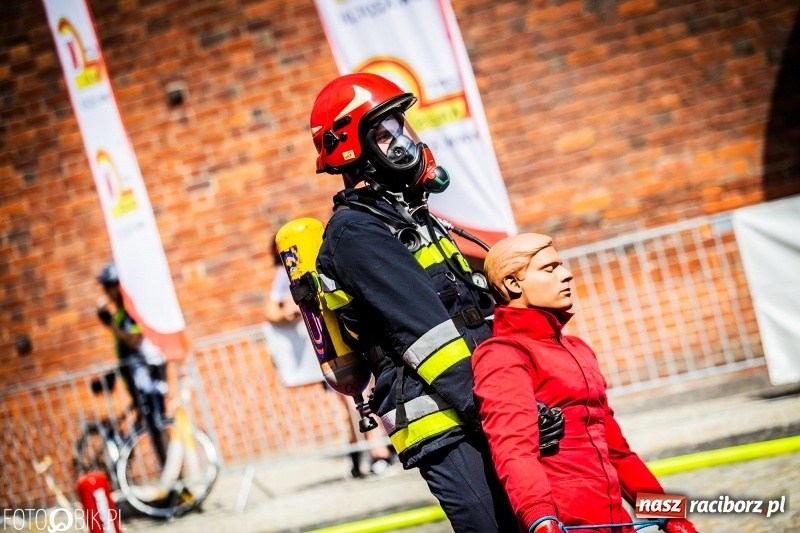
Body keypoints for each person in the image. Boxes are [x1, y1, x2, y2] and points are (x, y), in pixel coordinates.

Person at [308, 72, 563, 532]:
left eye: (401, 129)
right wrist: (503, 412)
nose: (402, 143)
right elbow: (428, 336)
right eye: (383, 136)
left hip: (484, 405)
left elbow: (473, 313)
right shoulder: (355, 234)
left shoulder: (411, 216)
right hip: (444, 423)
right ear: (352, 151)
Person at [472, 233, 698, 533]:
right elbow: (514, 449)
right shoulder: (502, 354)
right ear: (514, 284)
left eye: (561, 266)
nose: (567, 275)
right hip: (566, 525)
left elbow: (618, 450)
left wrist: (670, 513)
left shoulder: (578, 349)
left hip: (616, 521)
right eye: (550, 269)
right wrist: (540, 520)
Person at [265, 240, 397, 478]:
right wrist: (293, 312)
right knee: (352, 403)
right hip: (325, 350)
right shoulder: (286, 273)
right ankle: (367, 453)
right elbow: (272, 310)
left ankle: (375, 452)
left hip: (339, 345)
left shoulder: (322, 261)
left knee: (359, 399)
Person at [96, 262, 168, 464]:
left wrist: (109, 324)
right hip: (135, 380)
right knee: (150, 429)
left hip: (148, 379)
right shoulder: (121, 313)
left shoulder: (130, 311)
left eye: (108, 287)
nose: (107, 293)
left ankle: (177, 483)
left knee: (157, 427)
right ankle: (173, 481)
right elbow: (126, 351)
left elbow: (135, 340)